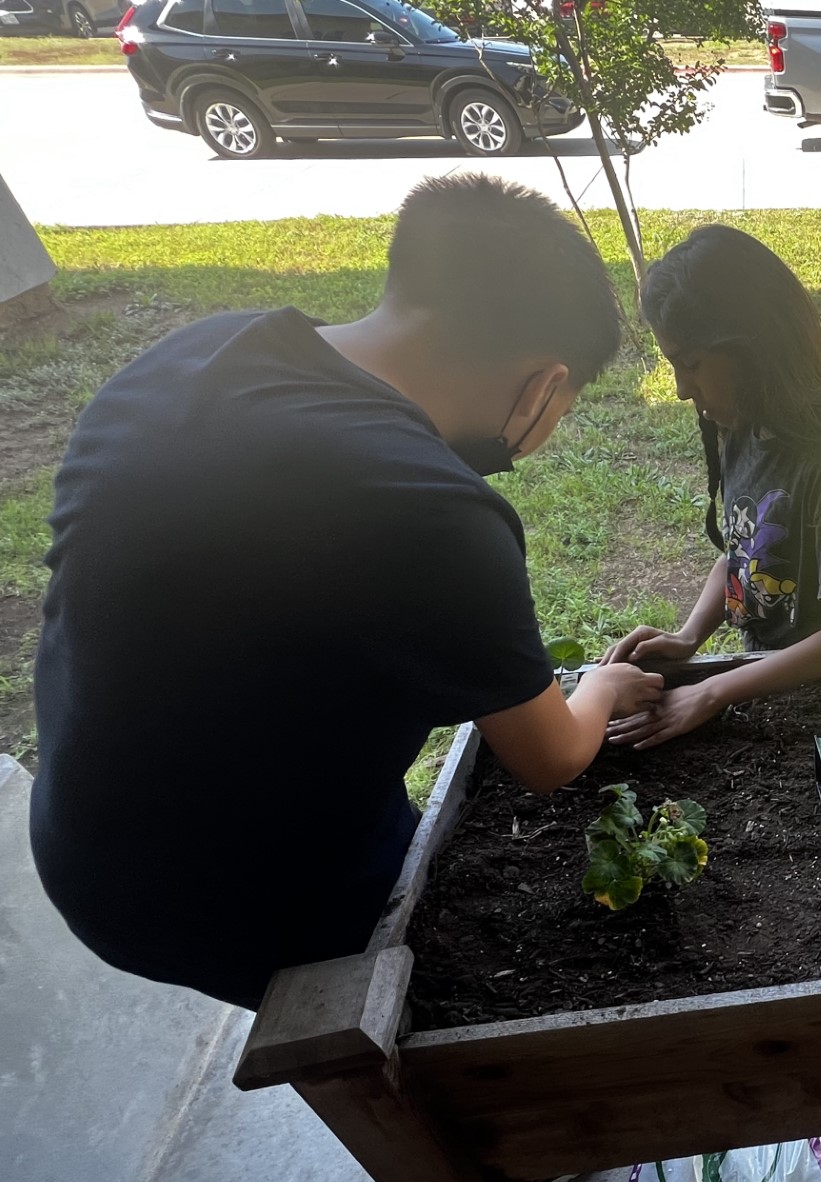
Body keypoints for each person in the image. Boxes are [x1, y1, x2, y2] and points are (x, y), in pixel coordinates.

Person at [31, 175, 660, 1010]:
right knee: (423, 1011)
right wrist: (604, 687)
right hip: (235, 897)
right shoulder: (427, 509)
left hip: (87, 833)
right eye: (563, 411)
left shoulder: (190, 357)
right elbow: (549, 757)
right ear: (542, 385)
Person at [598, 224, 821, 750]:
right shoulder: (742, 421)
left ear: (754, 349)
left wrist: (713, 692)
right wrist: (690, 635)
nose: (679, 389)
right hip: (769, 668)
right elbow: (744, 553)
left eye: (691, 364)